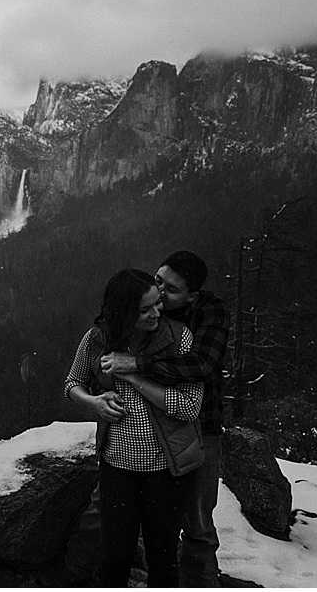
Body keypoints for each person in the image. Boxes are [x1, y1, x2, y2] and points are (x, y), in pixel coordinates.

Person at [65, 268, 204, 587]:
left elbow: (188, 406)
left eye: (158, 303)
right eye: (146, 309)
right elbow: (73, 382)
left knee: (162, 556)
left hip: (167, 468)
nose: (158, 312)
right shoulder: (97, 337)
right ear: (123, 312)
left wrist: (132, 375)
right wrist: (94, 403)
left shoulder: (178, 338)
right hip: (117, 468)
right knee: (114, 556)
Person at [101, 251, 228, 587]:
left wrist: (136, 366)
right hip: (140, 443)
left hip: (200, 427)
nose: (159, 293)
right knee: (135, 530)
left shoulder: (207, 313)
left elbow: (200, 366)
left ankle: (198, 584)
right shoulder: (144, 311)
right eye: (158, 281)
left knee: (197, 523)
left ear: (191, 296)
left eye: (169, 291)